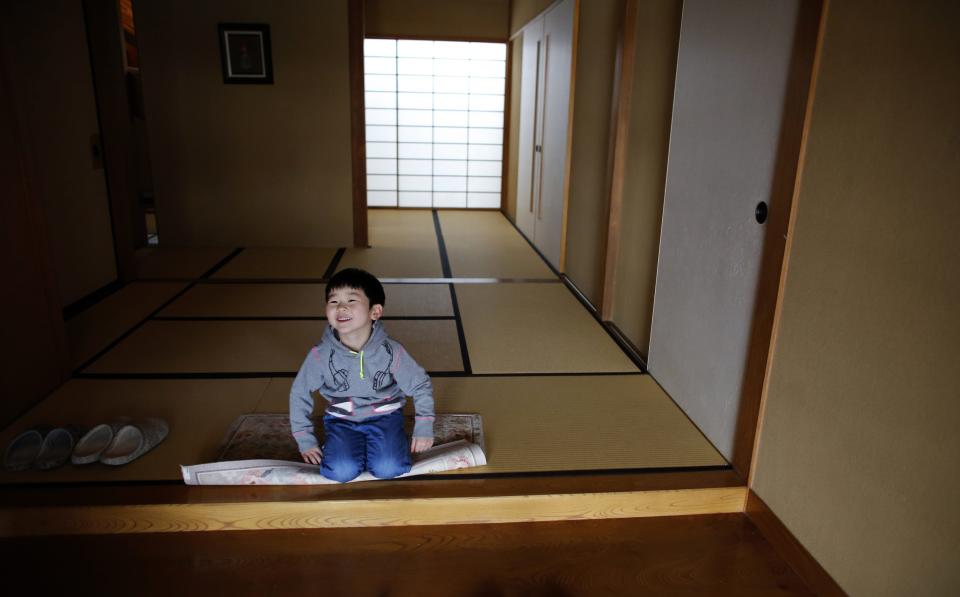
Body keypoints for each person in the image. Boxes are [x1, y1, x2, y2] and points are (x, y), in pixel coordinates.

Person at [289, 268, 435, 482]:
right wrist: (305, 440)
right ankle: (343, 446)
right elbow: (299, 392)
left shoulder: (391, 351)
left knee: (389, 468)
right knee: (339, 471)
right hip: (342, 419)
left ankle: (391, 442)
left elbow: (420, 385)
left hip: (385, 417)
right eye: (333, 301)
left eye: (351, 300)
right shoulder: (320, 355)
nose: (341, 307)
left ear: (374, 312)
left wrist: (423, 427)